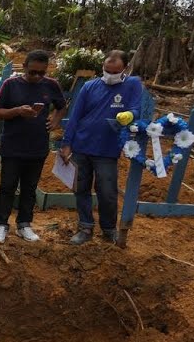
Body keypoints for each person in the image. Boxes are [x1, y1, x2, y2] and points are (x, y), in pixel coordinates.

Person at [60, 50, 144, 244]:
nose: (110, 74)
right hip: (82, 146)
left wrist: (129, 115)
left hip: (107, 149)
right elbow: (75, 116)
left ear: (125, 69)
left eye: (115, 71)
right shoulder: (89, 87)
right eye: (107, 70)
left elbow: (137, 108)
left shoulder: (132, 85)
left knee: (107, 191)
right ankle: (85, 227)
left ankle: (108, 229)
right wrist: (66, 143)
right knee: (80, 189)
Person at [0, 50, 68, 243]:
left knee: (30, 187)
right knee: (7, 186)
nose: (37, 77)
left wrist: (56, 121)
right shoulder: (11, 85)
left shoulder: (51, 85)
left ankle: (24, 224)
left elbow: (62, 105)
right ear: (24, 67)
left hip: (38, 145)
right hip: (12, 144)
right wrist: (17, 111)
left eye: (41, 73)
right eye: (33, 72)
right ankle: (1, 224)